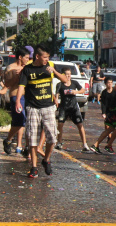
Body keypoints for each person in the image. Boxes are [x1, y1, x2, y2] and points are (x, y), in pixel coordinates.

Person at [16, 45, 69, 178]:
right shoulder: (27, 69)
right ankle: (34, 167)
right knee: (32, 139)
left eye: (48, 57)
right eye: (45, 57)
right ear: (38, 57)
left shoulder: (50, 65)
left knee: (52, 137)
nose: (47, 59)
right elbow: (21, 87)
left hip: (48, 107)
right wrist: (18, 101)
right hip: (33, 107)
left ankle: (46, 160)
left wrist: (54, 72)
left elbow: (65, 80)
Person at [54, 67, 91, 152]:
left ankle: (85, 144)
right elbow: (56, 95)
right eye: (66, 74)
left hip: (74, 107)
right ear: (63, 75)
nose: (68, 76)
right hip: (64, 107)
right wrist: (56, 102)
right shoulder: (60, 84)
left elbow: (82, 90)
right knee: (60, 124)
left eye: (69, 74)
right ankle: (59, 142)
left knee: (80, 125)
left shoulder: (74, 83)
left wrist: (76, 92)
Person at [3, 47, 31, 156]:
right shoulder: (11, 68)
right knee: (20, 120)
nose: (28, 60)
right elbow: (8, 83)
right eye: (26, 58)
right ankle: (8, 139)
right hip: (16, 96)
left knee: (25, 122)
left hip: (27, 97)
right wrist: (17, 75)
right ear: (20, 57)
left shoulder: (28, 67)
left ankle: (24, 146)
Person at [90, 77, 116, 154]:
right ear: (105, 84)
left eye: (111, 82)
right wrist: (103, 113)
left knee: (111, 129)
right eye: (108, 83)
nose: (110, 84)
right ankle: (108, 145)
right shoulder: (104, 92)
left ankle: (97, 144)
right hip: (111, 113)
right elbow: (104, 104)